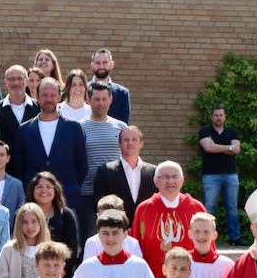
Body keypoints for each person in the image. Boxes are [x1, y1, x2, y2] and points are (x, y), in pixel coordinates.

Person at [12, 78, 88, 211]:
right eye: (44, 95)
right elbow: (19, 167)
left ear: (59, 96)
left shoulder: (74, 128)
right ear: (37, 96)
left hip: (67, 199)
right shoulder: (25, 130)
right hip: (34, 201)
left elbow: (82, 165)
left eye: (53, 95)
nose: (48, 99)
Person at [131, 160, 207, 278]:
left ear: (182, 180)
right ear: (156, 181)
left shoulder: (195, 208)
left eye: (175, 177)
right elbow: (135, 246)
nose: (170, 181)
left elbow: (208, 245)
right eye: (165, 177)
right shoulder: (144, 209)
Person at [75, 81, 127, 239]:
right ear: (88, 100)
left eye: (104, 99)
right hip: (87, 193)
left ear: (110, 100)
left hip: (116, 193)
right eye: (97, 99)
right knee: (90, 237)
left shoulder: (121, 127)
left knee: (117, 236)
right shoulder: (79, 128)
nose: (101, 103)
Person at [91, 125, 157, 224]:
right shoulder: (105, 171)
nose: (130, 143)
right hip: (117, 227)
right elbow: (99, 203)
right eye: (126, 139)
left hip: (146, 226)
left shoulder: (154, 172)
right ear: (119, 144)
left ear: (141, 144)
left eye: (134, 139)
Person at [199, 106, 243, 244]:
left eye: (220, 115)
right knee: (209, 207)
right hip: (210, 175)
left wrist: (216, 146)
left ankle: (235, 238)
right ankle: (206, 238)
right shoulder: (205, 131)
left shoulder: (232, 132)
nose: (218, 118)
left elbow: (236, 150)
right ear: (212, 117)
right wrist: (228, 147)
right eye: (216, 115)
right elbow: (208, 147)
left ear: (224, 117)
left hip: (230, 174)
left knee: (232, 207)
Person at [28, 171, 80, 276]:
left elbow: (72, 247)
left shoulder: (66, 214)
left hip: (60, 272)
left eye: (48, 187)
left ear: (55, 190)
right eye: (39, 187)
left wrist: (62, 271)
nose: (44, 190)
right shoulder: (24, 214)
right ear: (33, 190)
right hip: (30, 269)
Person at [0, 65, 40, 159]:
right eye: (11, 79)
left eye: (20, 78)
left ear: (27, 81)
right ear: (5, 82)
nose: (16, 83)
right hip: (4, 166)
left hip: (33, 165)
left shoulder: (39, 108)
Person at [80, 195, 145, 261]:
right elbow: (89, 266)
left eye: (115, 217)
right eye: (105, 217)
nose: (110, 222)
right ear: (98, 216)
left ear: (124, 215)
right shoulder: (93, 243)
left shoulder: (133, 244)